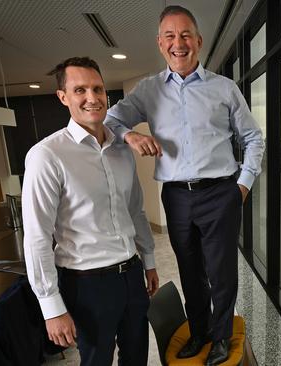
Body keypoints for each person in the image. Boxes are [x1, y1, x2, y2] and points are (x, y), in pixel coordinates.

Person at [105, 5, 264, 365]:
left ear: (199, 41)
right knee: (190, 272)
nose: (179, 43)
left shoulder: (223, 88)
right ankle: (200, 332)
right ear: (161, 44)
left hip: (222, 193)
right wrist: (130, 135)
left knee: (221, 273)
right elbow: (112, 119)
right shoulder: (148, 91)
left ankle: (221, 337)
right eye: (171, 37)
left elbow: (254, 138)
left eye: (186, 35)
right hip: (176, 198)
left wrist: (243, 185)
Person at [22, 56, 159, 366]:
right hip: (87, 284)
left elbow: (135, 211)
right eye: (80, 90)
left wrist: (148, 260)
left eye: (97, 89)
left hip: (131, 274)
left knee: (136, 357)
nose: (92, 98)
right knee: (96, 361)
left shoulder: (122, 149)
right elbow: (37, 237)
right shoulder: (47, 156)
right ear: (63, 97)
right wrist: (51, 306)